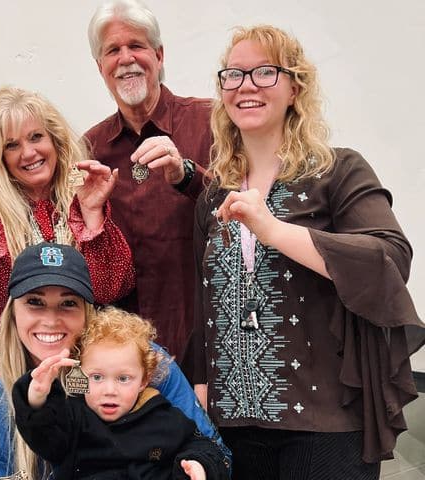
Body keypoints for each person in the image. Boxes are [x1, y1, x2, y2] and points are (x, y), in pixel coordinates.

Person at [191, 25, 425, 479]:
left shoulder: (338, 170)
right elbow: (206, 300)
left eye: (264, 72)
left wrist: (272, 229)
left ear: (295, 86)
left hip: (324, 423)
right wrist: (202, 384)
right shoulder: (211, 195)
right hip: (234, 421)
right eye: (233, 75)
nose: (246, 86)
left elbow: (389, 260)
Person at [0, 242, 230, 480]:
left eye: (68, 303)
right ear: (13, 313)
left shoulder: (143, 361)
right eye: (34, 302)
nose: (50, 319)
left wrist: (196, 467)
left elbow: (214, 453)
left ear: (87, 312)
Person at [0, 86, 134, 390]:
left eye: (36, 137)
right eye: (11, 145)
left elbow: (109, 289)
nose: (29, 153)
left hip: (88, 368)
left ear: (54, 140)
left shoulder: (85, 195)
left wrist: (92, 212)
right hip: (14, 369)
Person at [84, 0, 212, 365]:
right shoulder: (90, 150)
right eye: (113, 50)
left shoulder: (211, 122)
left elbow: (244, 208)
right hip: (128, 356)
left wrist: (186, 174)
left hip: (208, 340)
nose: (126, 58)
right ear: (100, 67)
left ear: (158, 54)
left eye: (136, 46)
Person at [12, 306, 230, 480]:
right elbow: (46, 439)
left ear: (144, 380)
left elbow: (203, 446)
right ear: (80, 373)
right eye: (96, 377)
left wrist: (197, 464)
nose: (109, 391)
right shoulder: (73, 419)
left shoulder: (163, 417)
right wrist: (38, 398)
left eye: (123, 379)